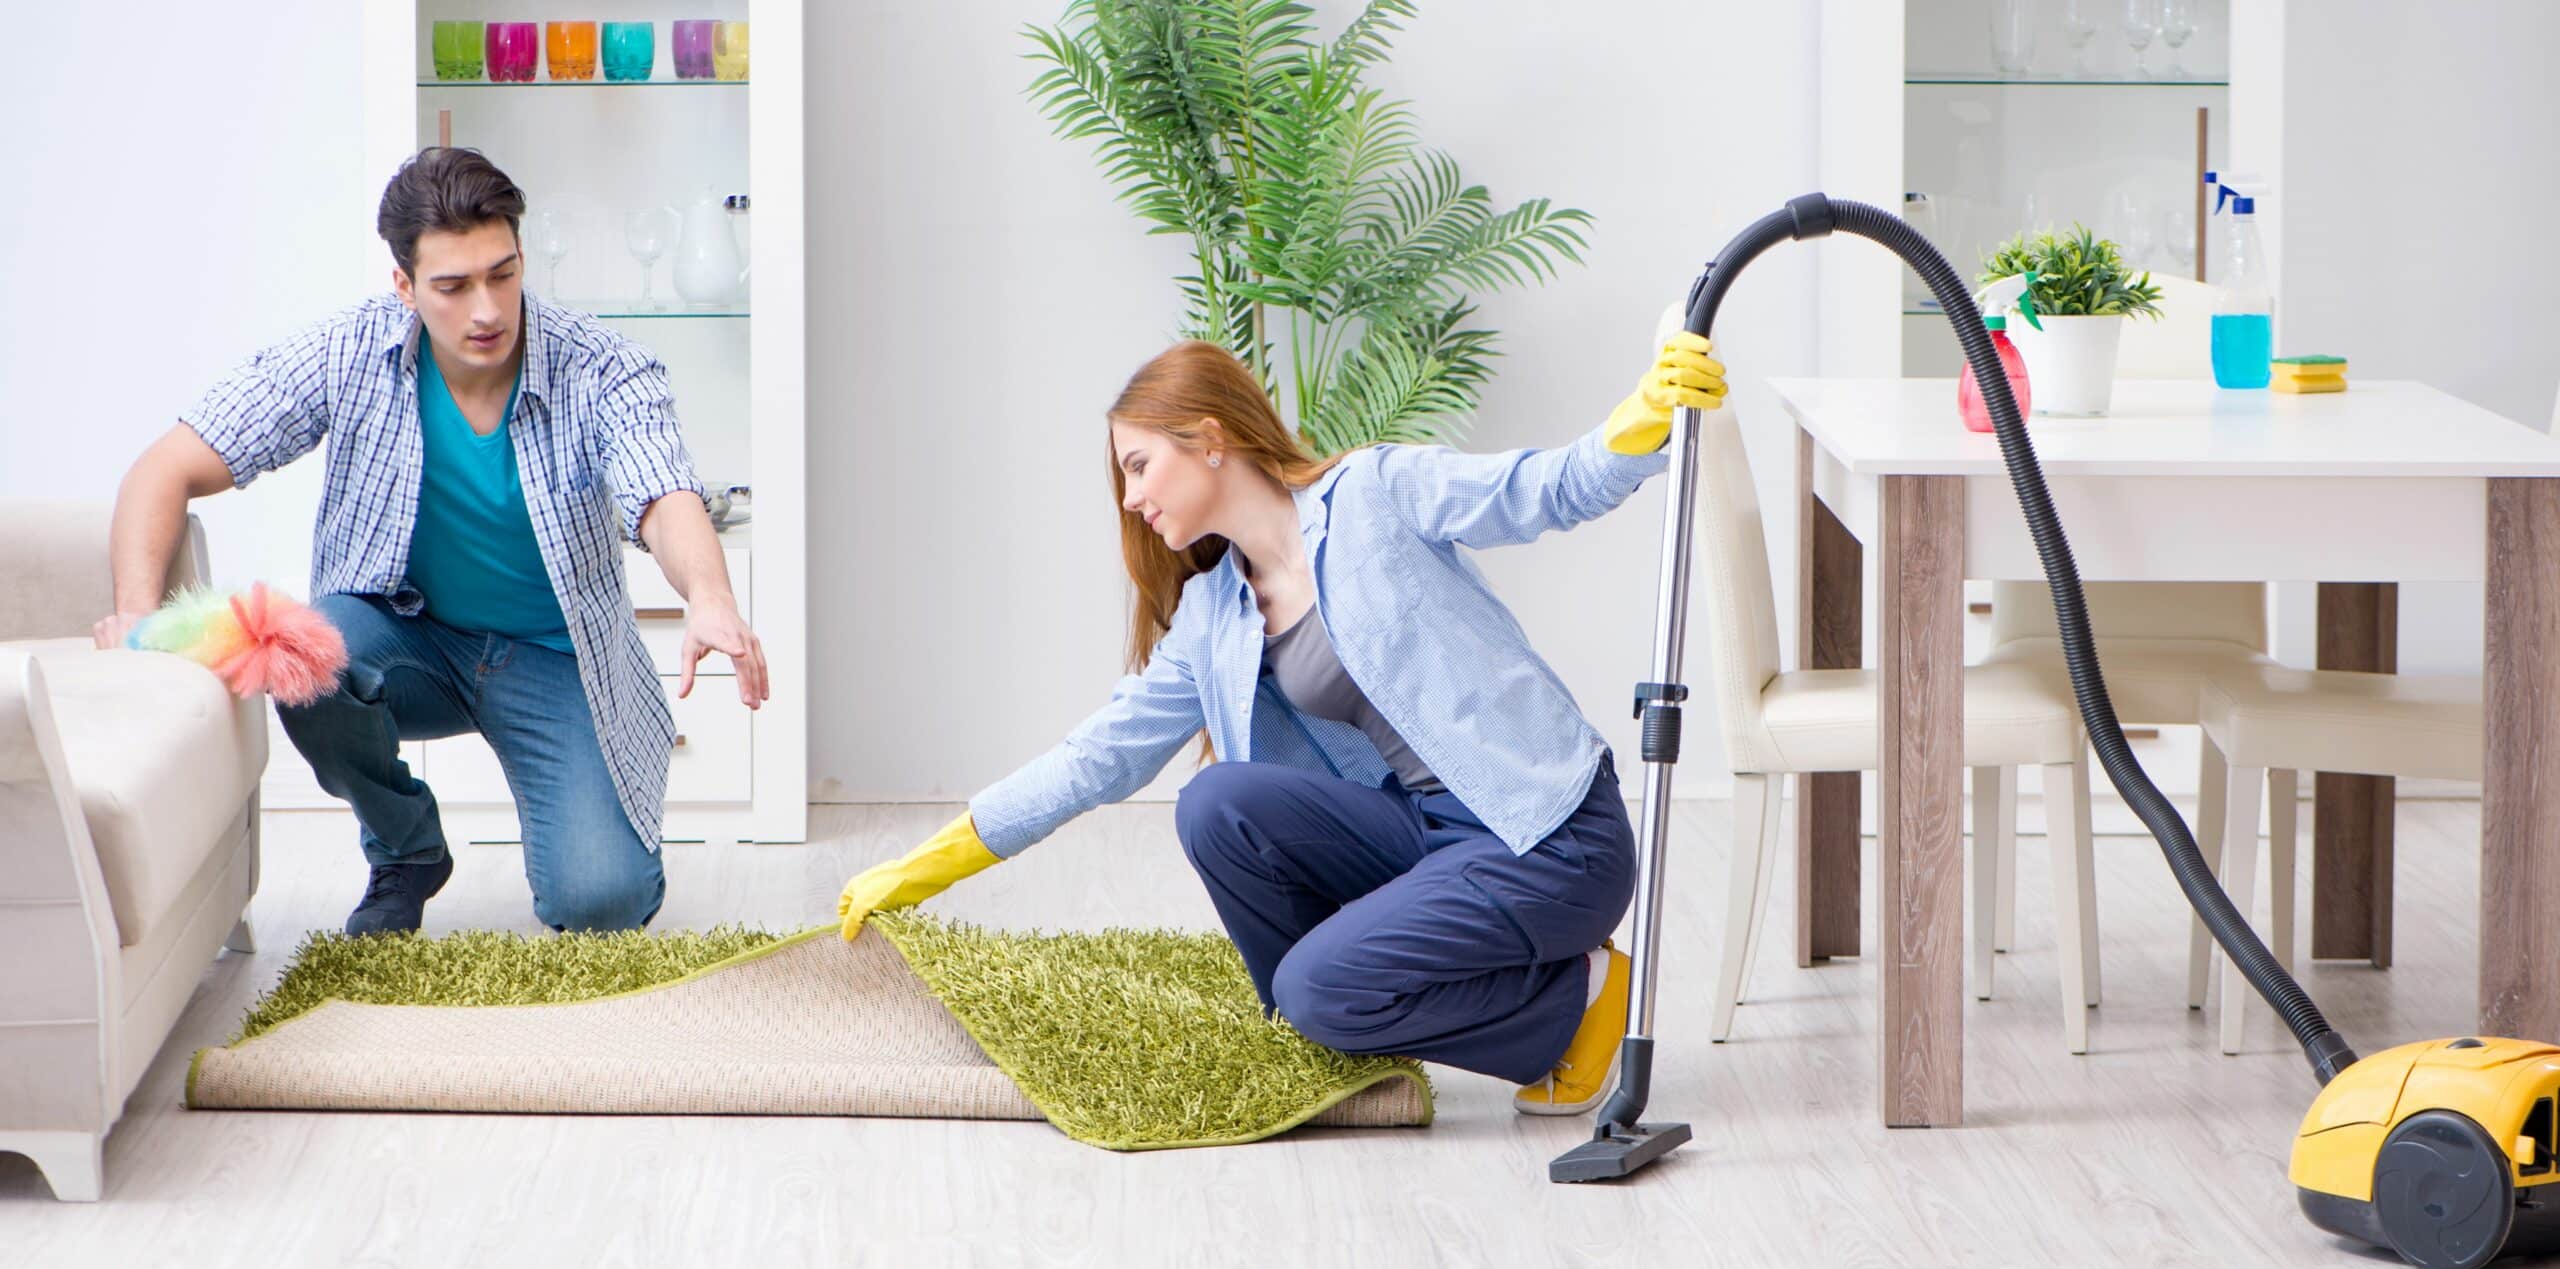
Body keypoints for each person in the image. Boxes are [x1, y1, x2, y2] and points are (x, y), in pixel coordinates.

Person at [839, 331, 1725, 1114]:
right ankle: (1340, 1013)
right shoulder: (1215, 616)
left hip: (1548, 835)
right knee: (1214, 801)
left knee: (1313, 991)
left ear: (1212, 440)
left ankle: (1574, 1000)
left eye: (1139, 465)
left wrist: (1638, 419)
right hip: (1429, 834)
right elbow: (1098, 757)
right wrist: (928, 862)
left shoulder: (1375, 493)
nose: (1131, 497)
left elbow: (1540, 489)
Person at [96, 147, 770, 935]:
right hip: (407, 643)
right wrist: (139, 624)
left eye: (503, 274)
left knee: (601, 903)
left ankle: (591, 857)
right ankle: (407, 850)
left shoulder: (602, 367)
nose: (486, 309)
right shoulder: (348, 352)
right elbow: (163, 470)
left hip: (555, 660)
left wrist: (712, 599)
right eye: (452, 287)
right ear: (405, 287)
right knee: (296, 649)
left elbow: (663, 493)